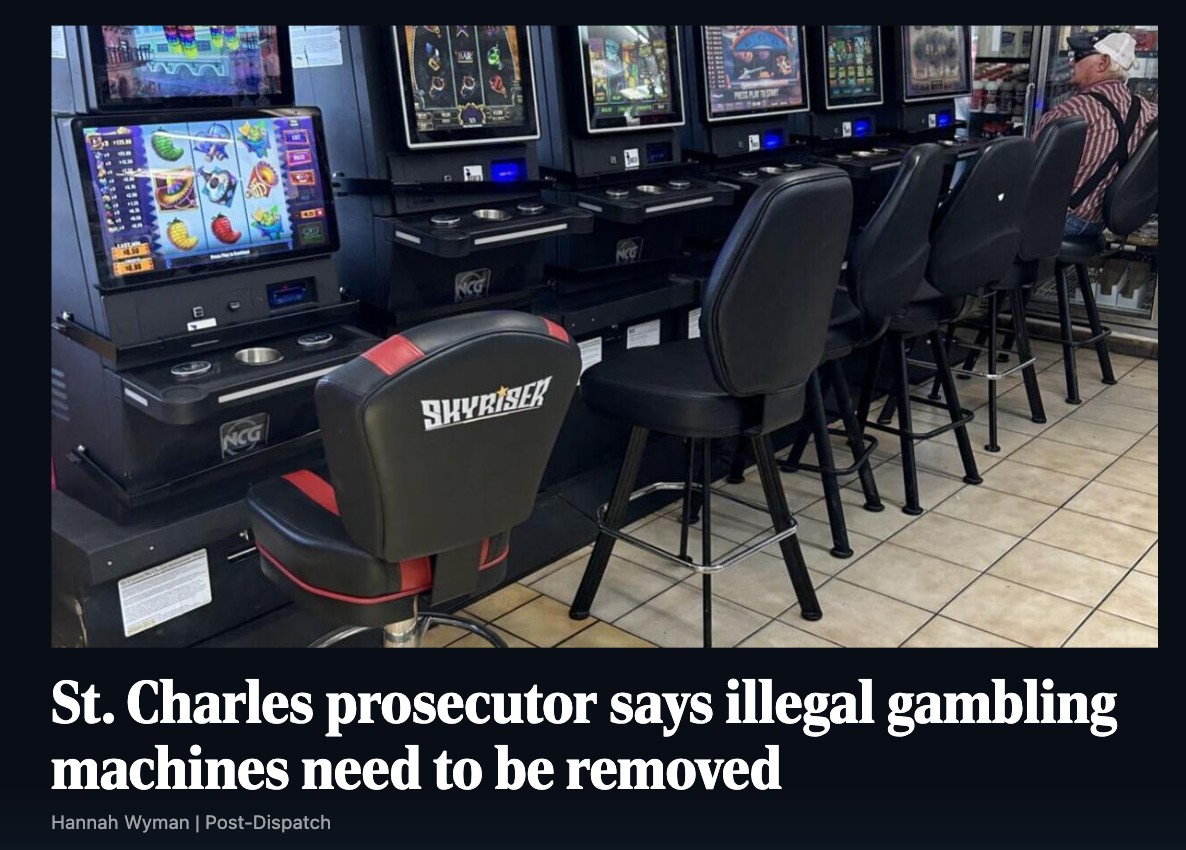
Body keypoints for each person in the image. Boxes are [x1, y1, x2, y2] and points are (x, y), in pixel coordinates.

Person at [1033, 29, 1157, 238]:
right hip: (1101, 222)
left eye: (1079, 56)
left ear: (1103, 63)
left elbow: (1029, 169)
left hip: (1064, 221)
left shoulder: (1072, 111)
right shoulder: (1148, 110)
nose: (1071, 62)